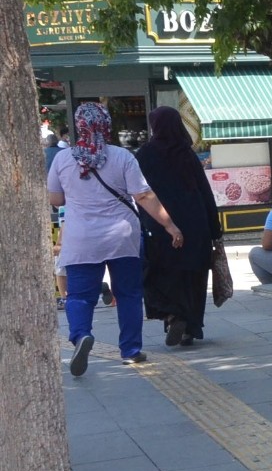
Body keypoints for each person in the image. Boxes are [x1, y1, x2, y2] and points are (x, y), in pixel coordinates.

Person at [48, 102, 184, 374]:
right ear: (106, 125)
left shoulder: (63, 159)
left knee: (79, 296)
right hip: (122, 236)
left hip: (81, 238)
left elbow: (56, 199)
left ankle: (80, 336)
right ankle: (131, 350)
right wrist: (170, 225)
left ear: (79, 126)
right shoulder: (122, 157)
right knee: (129, 294)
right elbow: (143, 195)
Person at [136, 107, 223, 347]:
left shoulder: (145, 154)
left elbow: (140, 193)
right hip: (196, 225)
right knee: (193, 277)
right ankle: (189, 328)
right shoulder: (186, 153)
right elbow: (205, 193)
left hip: (161, 225)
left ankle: (173, 314)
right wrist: (215, 230)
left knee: (162, 273)